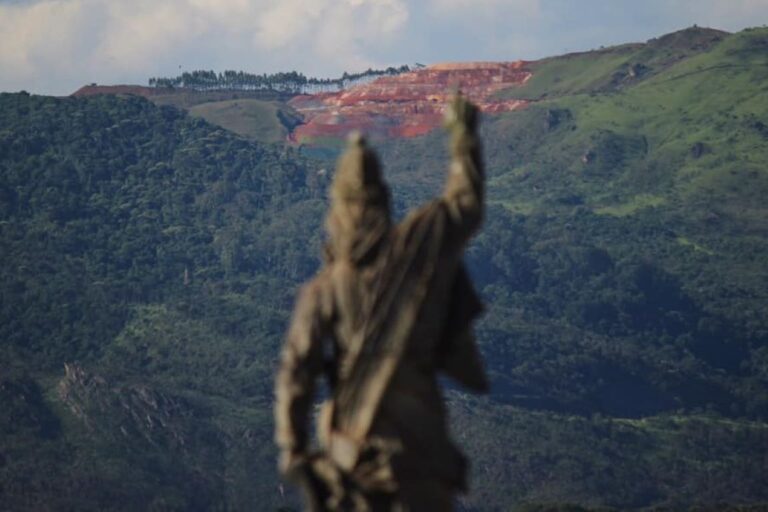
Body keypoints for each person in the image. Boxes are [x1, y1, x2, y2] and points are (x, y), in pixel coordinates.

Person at [275, 95, 488, 511]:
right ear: (384, 201)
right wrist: (464, 139)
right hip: (420, 447)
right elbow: (465, 206)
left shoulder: (324, 290)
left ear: (338, 208)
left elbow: (296, 374)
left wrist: (295, 451)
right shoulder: (419, 249)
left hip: (353, 457)